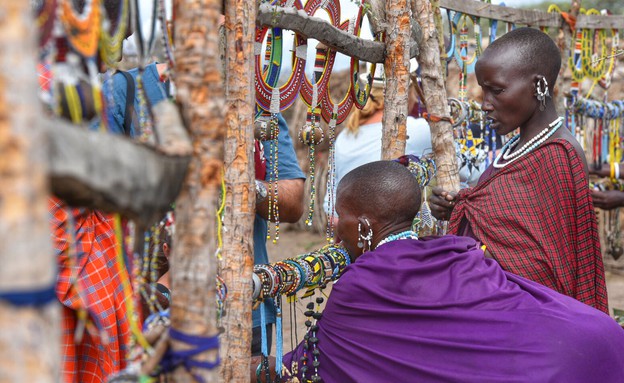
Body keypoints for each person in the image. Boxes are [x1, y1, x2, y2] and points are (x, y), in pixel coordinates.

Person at [251, 160, 624, 383]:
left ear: (364, 226)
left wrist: (256, 368)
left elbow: (314, 365)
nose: (334, 227)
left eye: (341, 217)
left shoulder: (364, 284)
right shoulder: (455, 252)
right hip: (596, 341)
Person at [429, 27, 608, 313]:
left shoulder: (557, 155)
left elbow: (545, 266)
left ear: (538, 86)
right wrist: (458, 208)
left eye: (497, 90)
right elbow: (507, 221)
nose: (485, 104)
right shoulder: (518, 146)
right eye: (484, 91)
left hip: (525, 317)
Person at [323, 62, 432, 218]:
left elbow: (331, 208)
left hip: (352, 234)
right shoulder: (417, 130)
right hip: (397, 234)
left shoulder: (344, 137)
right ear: (406, 93)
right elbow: (464, 171)